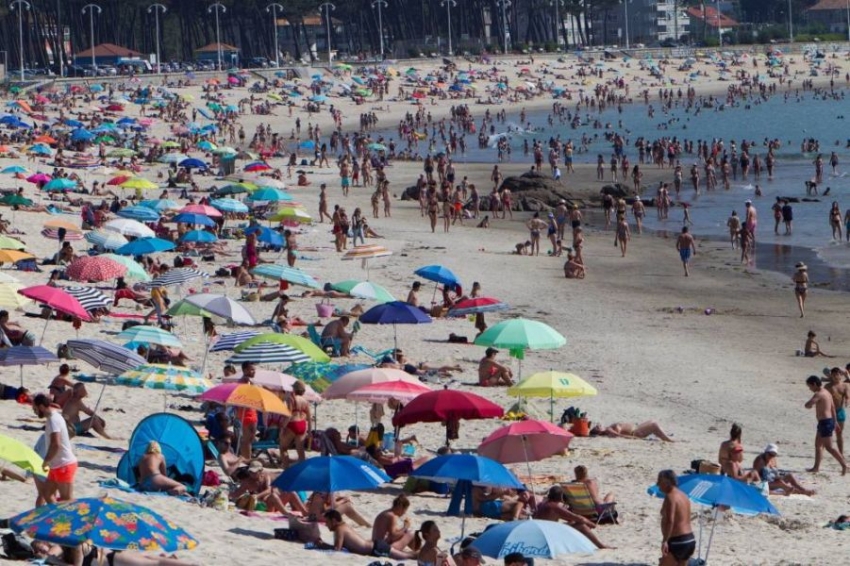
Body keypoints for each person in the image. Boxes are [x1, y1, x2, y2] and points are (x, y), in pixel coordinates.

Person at [533, 485, 610, 549]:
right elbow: (579, 518)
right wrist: (592, 524)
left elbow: (569, 518)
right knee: (582, 526)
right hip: (548, 537)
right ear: (561, 496)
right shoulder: (555, 507)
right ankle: (601, 546)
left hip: (541, 534)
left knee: (573, 522)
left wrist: (573, 520)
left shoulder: (544, 504)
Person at [32, 393, 77, 503]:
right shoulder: (52, 418)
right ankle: (56, 513)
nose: (34, 411)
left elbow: (56, 444)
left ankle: (71, 515)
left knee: (67, 499)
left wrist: (46, 461)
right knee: (47, 494)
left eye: (35, 408)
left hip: (64, 464)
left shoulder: (53, 420)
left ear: (41, 407)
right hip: (56, 466)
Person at [321, 509, 416, 560]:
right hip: (375, 546)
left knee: (408, 557)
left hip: (375, 549)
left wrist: (321, 544)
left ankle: (423, 556)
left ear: (334, 520)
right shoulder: (343, 526)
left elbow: (337, 549)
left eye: (327, 522)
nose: (326, 525)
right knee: (406, 555)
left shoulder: (339, 529)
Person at [804, 375, 847, 474]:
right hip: (826, 421)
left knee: (829, 447)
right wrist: (835, 422)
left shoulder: (819, 394)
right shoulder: (827, 392)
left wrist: (809, 405)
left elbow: (808, 404)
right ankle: (816, 467)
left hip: (825, 422)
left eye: (810, 386)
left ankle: (844, 464)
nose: (810, 389)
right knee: (818, 445)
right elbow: (833, 409)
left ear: (814, 384)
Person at [230, 459, 307, 514]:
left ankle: (305, 512)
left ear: (260, 471)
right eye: (250, 472)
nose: (252, 474)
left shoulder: (266, 477)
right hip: (263, 506)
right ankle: (286, 513)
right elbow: (237, 493)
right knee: (273, 496)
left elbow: (268, 490)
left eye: (254, 472)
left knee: (291, 492)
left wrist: (257, 495)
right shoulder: (248, 482)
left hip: (273, 502)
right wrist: (228, 495)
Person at [657, 470, 695, 566]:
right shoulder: (684, 496)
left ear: (666, 482)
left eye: (659, 481)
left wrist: (665, 541)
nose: (657, 484)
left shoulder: (670, 497)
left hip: (677, 540)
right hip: (689, 539)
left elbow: (670, 521)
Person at [279, 380, 311, 464]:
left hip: (293, 424)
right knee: (300, 450)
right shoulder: (305, 401)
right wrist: (309, 431)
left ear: (294, 389)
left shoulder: (291, 398)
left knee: (283, 448)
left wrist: (283, 427)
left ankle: (286, 468)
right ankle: (302, 469)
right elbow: (309, 417)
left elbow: (289, 415)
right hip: (302, 425)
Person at [826, 367, 850, 455]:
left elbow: (848, 396)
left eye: (837, 375)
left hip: (840, 411)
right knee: (826, 433)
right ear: (831, 376)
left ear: (840, 375)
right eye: (833, 375)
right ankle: (824, 450)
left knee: (839, 433)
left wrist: (847, 401)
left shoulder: (845, 385)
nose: (835, 377)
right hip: (829, 411)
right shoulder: (828, 386)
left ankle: (841, 453)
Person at [237, 362, 259, 459]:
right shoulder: (244, 382)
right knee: (248, 438)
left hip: (250, 411)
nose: (254, 371)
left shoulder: (248, 381)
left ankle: (246, 458)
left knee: (249, 438)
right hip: (246, 412)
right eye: (252, 369)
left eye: (254, 369)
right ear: (245, 370)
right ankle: (247, 459)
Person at [591, 421, 674, 441]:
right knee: (654, 424)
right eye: (597, 427)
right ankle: (668, 439)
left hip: (636, 428)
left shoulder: (608, 428)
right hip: (636, 432)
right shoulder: (608, 430)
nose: (598, 425)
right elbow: (619, 435)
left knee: (652, 421)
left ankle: (665, 436)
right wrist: (634, 438)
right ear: (599, 432)